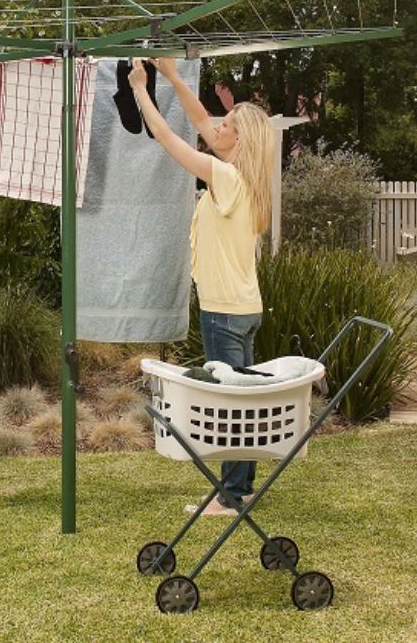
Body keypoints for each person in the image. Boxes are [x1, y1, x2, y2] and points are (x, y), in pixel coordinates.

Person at [128, 57, 274, 516]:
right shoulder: (246, 178)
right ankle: (242, 487)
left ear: (238, 138)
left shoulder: (227, 176)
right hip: (244, 308)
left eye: (225, 123)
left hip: (225, 312)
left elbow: (169, 138)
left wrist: (139, 88)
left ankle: (230, 497)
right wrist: (170, 75)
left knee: (229, 406)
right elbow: (196, 120)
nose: (216, 126)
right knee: (243, 403)